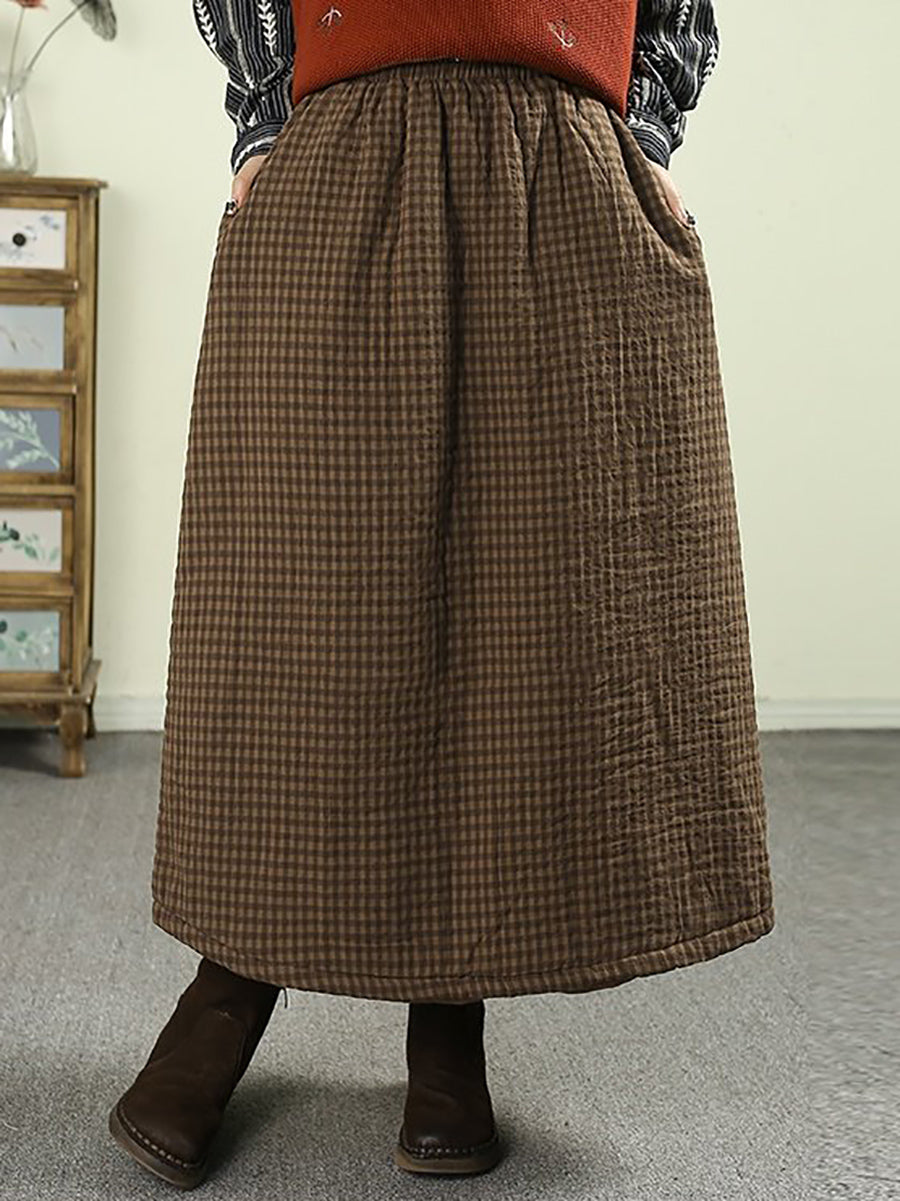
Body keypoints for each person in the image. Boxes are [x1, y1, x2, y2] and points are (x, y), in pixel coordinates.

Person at [108, 0, 775, 1188]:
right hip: (343, 157)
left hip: (566, 171)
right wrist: (261, 128)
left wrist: (649, 138)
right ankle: (229, 985)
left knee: (526, 610)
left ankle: (449, 1017)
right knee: (294, 603)